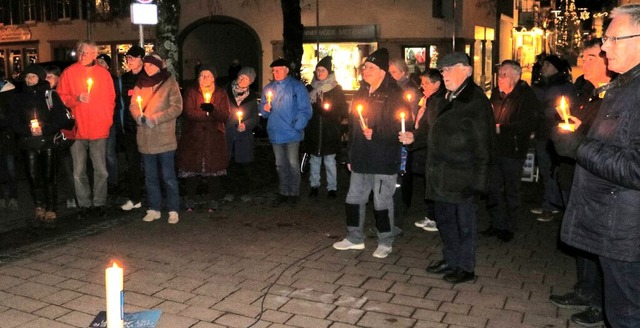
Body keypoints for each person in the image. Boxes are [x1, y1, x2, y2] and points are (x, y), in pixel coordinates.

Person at [552, 5, 640, 326]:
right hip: (613, 226)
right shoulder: (624, 86)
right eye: (604, 39)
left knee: (627, 316)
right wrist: (581, 133)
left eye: (613, 39)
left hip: (628, 234)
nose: (603, 48)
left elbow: (636, 168)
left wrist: (579, 146)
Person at [399, 52, 495, 283]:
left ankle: (465, 267)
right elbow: (434, 129)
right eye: (442, 71)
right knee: (445, 221)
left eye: (449, 69)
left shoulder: (475, 101)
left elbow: (485, 144)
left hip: (463, 176)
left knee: (464, 224)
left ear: (467, 70)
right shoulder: (447, 97)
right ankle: (451, 260)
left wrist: (480, 181)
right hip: (441, 174)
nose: (445, 74)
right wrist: (415, 139)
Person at [548, 39, 612, 328]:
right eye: (582, 57)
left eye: (590, 57)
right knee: (581, 239)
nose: (583, 62)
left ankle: (601, 303)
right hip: (574, 173)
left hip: (599, 181)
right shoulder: (585, 91)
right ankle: (585, 289)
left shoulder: (614, 97)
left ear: (607, 61)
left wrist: (577, 133)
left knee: (599, 245)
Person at [332, 48, 407, 259]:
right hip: (362, 158)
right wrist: (349, 155)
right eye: (365, 67)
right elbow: (353, 129)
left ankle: (385, 241)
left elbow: (402, 125)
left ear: (383, 71)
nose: (366, 71)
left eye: (371, 67)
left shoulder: (394, 94)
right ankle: (354, 237)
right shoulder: (361, 92)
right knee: (354, 198)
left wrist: (377, 132)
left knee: (382, 202)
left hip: (383, 158)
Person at [8, 64, 73, 228]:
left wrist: (46, 129)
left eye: (33, 76)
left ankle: (51, 208)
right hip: (28, 142)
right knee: (32, 176)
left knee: (50, 176)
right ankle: (39, 205)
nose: (29, 80)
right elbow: (13, 120)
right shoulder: (19, 97)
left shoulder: (50, 95)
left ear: (40, 78)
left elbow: (62, 118)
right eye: (27, 77)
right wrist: (27, 131)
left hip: (48, 141)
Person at [57, 40, 116, 219]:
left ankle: (99, 202)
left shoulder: (103, 74)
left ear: (95, 55)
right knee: (78, 171)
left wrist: (107, 121)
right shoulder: (69, 73)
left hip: (98, 128)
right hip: (78, 129)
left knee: (101, 170)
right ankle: (84, 204)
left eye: (87, 53)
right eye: (81, 52)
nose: (82, 56)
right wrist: (76, 98)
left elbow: (111, 99)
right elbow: (61, 97)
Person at [482, 60, 539, 242]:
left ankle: (510, 225)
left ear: (516, 75)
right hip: (496, 149)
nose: (500, 78)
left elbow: (528, 122)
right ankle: (497, 223)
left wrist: (502, 128)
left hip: (513, 150)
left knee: (511, 190)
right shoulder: (497, 95)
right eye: (499, 75)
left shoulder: (526, 96)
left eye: (504, 75)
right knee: (493, 187)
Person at [130, 53, 183, 224]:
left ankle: (173, 209)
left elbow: (177, 108)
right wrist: (138, 116)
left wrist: (156, 118)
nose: (147, 68)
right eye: (145, 65)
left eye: (151, 65)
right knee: (150, 176)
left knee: (168, 176)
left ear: (159, 66)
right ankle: (154, 208)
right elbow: (133, 105)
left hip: (164, 137)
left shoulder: (169, 83)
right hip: (145, 138)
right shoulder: (140, 83)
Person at [259, 58, 312, 207]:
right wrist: (265, 109)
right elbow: (263, 108)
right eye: (274, 70)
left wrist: (297, 125)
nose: (275, 73)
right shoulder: (269, 88)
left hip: (292, 133)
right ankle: (283, 192)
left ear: (287, 70)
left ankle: (293, 193)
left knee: (293, 164)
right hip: (276, 132)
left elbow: (305, 109)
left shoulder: (297, 87)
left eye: (279, 69)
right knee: (280, 164)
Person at [177, 65, 230, 212]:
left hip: (214, 138)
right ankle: (190, 200)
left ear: (214, 78)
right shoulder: (191, 92)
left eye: (208, 75)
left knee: (213, 171)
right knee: (191, 170)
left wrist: (212, 110)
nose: (205, 78)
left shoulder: (221, 93)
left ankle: (213, 200)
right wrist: (207, 116)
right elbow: (188, 112)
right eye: (202, 75)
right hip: (194, 137)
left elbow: (225, 115)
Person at [531, 54, 577, 222]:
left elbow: (564, 109)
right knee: (546, 170)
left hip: (555, 135)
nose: (543, 68)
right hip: (543, 133)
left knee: (551, 171)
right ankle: (549, 203)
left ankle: (550, 207)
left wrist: (545, 111)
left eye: (547, 65)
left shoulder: (564, 87)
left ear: (556, 68)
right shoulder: (544, 85)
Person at [305, 56, 347, 199]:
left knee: (329, 161)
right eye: (317, 70)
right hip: (314, 131)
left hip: (329, 131)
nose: (319, 73)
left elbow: (342, 110)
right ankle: (314, 185)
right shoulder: (310, 89)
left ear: (329, 72)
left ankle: (332, 188)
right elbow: (305, 109)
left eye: (323, 70)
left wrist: (328, 111)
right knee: (314, 160)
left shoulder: (336, 89)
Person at [410, 69, 446, 233]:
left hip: (434, 149)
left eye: (426, 83)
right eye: (422, 83)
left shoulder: (439, 102)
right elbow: (423, 124)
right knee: (428, 183)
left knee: (434, 184)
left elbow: (431, 127)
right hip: (426, 147)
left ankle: (437, 218)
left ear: (437, 84)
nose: (422, 86)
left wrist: (416, 138)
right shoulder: (429, 100)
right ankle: (432, 216)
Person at [388, 58, 420, 235]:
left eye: (393, 72)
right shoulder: (392, 89)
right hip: (394, 133)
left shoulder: (409, 90)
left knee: (404, 171)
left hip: (405, 134)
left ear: (402, 72)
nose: (391, 75)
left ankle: (403, 204)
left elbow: (412, 114)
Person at [117, 45, 146, 211]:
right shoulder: (124, 79)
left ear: (141, 59)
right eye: (127, 58)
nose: (129, 61)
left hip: (145, 128)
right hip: (129, 129)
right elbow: (120, 104)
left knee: (148, 165)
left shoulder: (147, 77)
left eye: (133, 58)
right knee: (132, 165)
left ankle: (152, 198)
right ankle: (135, 198)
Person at [224, 66, 259, 201]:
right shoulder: (226, 91)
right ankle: (230, 191)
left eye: (246, 78)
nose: (242, 80)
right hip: (228, 133)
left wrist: (246, 124)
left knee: (244, 166)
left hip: (243, 137)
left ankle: (244, 192)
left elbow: (255, 117)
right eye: (241, 77)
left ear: (250, 81)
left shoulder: (251, 96)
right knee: (229, 164)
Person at [45, 65, 76, 210]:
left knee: (68, 166)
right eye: (45, 76)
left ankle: (72, 196)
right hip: (51, 136)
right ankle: (54, 198)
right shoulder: (45, 93)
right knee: (54, 169)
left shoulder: (61, 93)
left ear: (58, 78)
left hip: (64, 135)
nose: (47, 79)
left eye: (50, 76)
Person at [97, 53, 121, 202]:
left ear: (107, 65)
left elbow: (117, 101)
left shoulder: (113, 80)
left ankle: (113, 181)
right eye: (97, 62)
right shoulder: (91, 80)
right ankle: (102, 182)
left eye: (102, 62)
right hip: (96, 122)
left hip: (109, 122)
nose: (99, 64)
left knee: (109, 154)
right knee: (98, 154)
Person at [0, 69, 17, 211]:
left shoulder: (9, 91)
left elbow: (12, 115)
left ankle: (13, 196)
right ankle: (1, 197)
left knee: (10, 167)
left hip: (7, 134)